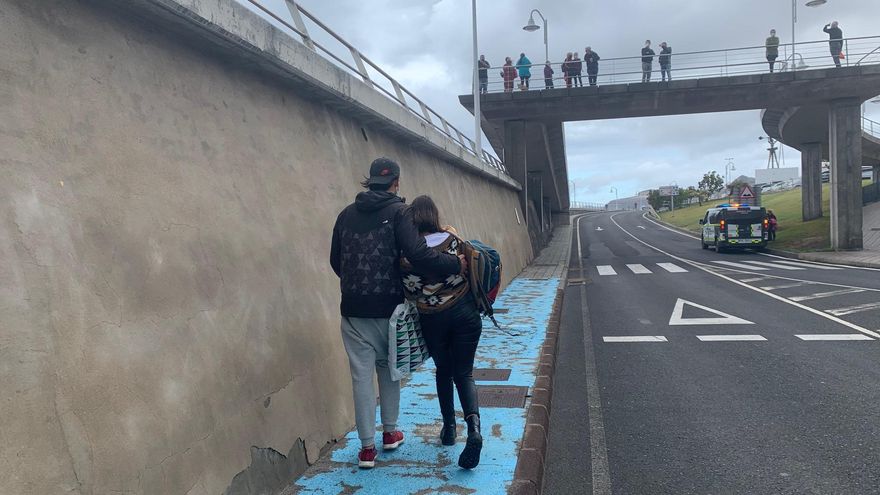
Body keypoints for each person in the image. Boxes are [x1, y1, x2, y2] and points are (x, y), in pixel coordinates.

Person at [330, 158, 464, 469]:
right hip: (390, 308)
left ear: (370, 181)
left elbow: (336, 261)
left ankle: (366, 449)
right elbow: (418, 254)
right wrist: (454, 264)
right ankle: (390, 433)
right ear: (396, 183)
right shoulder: (399, 212)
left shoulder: (345, 215)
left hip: (353, 310)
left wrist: (355, 286)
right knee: (390, 370)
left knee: (360, 377)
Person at [400, 195, 484, 469]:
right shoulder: (454, 242)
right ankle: (473, 428)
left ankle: (449, 429)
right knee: (465, 373)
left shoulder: (409, 256)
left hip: (433, 320)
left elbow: (409, 292)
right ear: (435, 216)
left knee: (444, 371)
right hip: (465, 315)